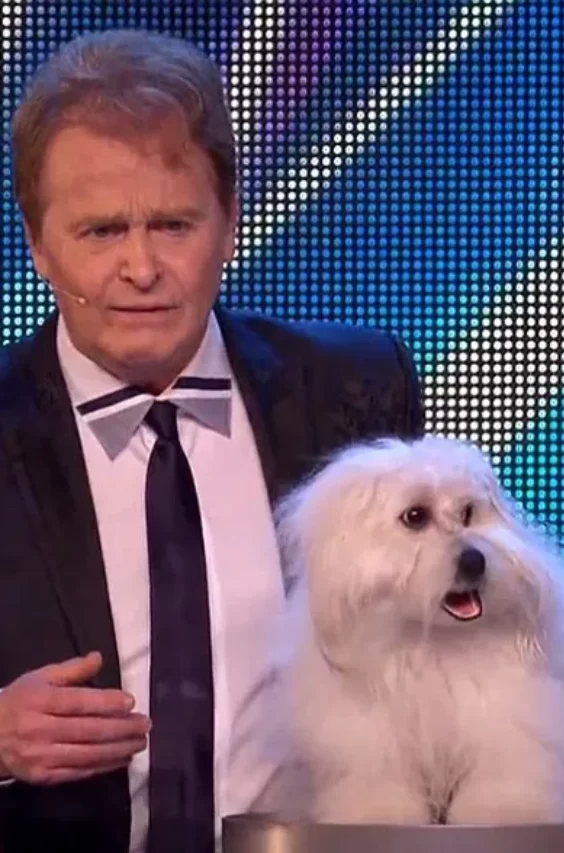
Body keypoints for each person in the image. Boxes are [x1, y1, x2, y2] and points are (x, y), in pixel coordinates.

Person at [0, 29, 423, 853]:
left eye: (173, 223)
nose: (141, 267)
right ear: (38, 243)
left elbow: (465, 624)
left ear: (229, 220)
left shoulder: (354, 393)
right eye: (100, 232)